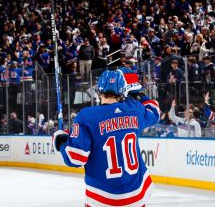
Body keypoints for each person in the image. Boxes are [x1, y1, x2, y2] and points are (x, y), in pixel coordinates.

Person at [53, 69, 160, 206]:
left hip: (101, 198)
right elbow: (154, 111)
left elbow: (75, 158)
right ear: (123, 91)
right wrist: (139, 94)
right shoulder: (134, 108)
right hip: (135, 195)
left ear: (98, 91)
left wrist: (61, 141)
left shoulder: (86, 116)